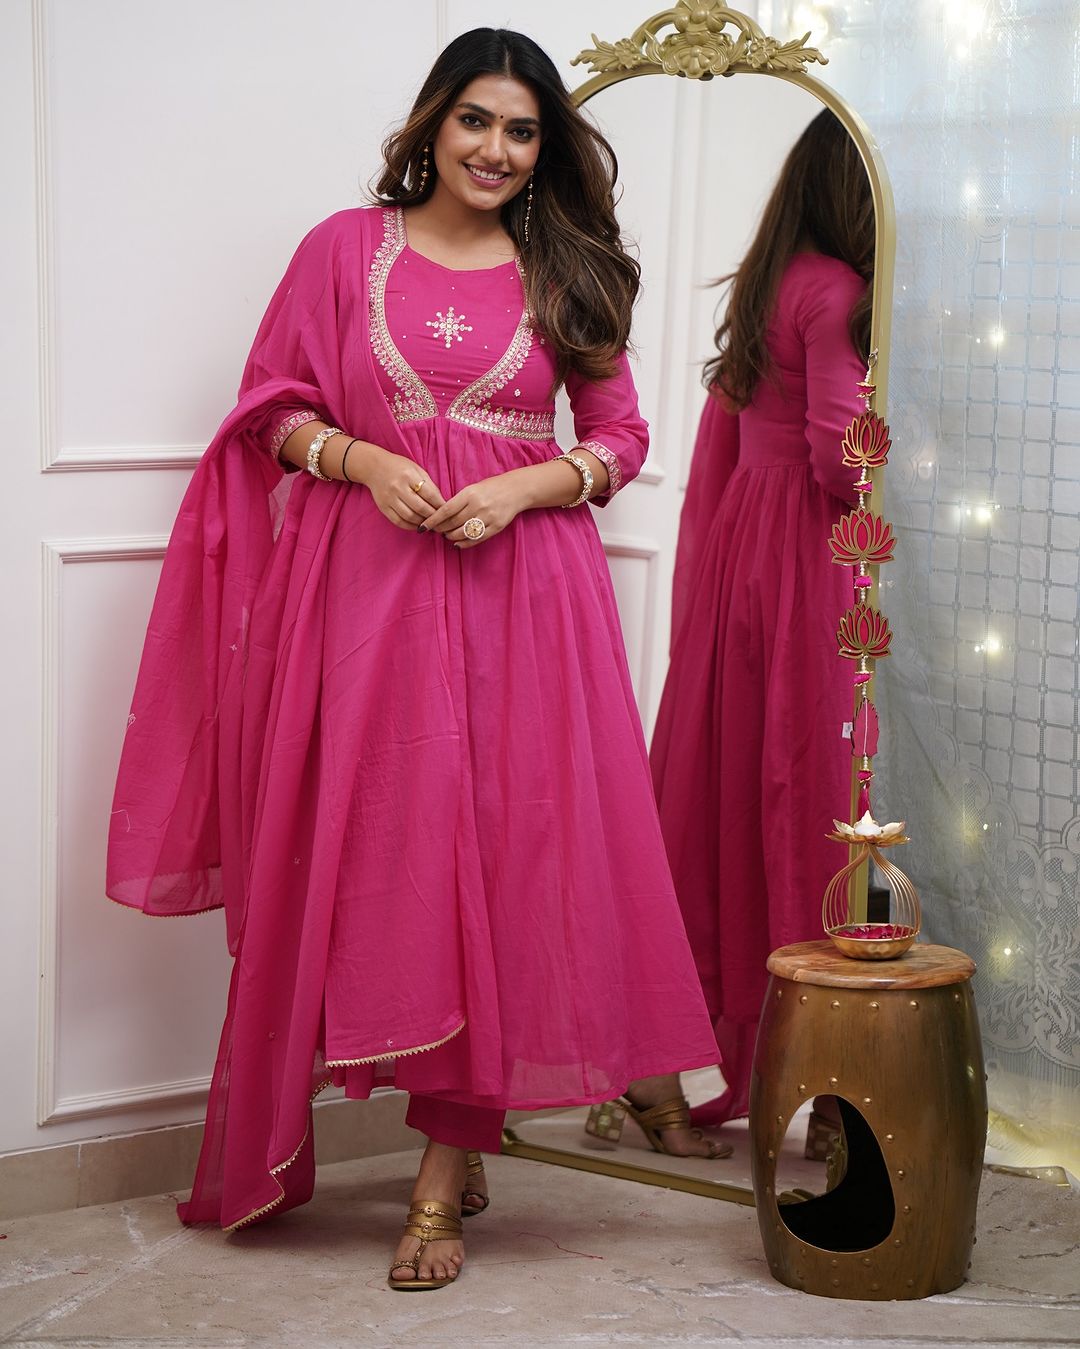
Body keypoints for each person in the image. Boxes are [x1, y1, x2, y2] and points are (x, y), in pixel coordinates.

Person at [106, 28, 722, 1292]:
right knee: (385, 855)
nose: (496, 150)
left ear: (545, 148)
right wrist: (360, 458)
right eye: (477, 122)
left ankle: (444, 1176)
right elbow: (272, 409)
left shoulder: (572, 269)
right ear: (433, 125)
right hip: (365, 599)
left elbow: (620, 434)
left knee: (496, 862)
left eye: (523, 130)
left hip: (522, 604)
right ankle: (454, 1116)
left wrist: (525, 491)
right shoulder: (342, 250)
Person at [647, 109, 874, 1142]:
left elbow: (744, 439)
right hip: (805, 561)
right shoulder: (840, 293)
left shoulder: (770, 280)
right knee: (815, 794)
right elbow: (840, 460)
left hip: (748, 544)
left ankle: (673, 1058)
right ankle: (827, 1082)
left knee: (742, 785)